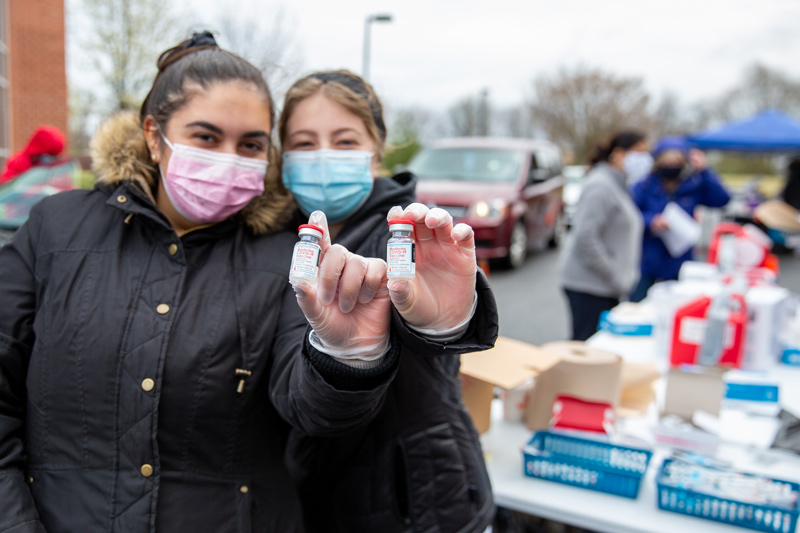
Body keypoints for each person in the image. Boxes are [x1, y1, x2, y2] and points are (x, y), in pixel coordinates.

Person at [0, 33, 434, 532]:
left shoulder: (285, 255)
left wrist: (344, 359)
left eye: (250, 144)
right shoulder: (56, 229)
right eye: (206, 137)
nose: (229, 157)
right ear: (152, 134)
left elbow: (310, 409)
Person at [278, 70, 499, 532]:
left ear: (375, 150)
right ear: (282, 156)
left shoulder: (405, 234)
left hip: (421, 503)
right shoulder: (275, 242)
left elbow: (439, 333)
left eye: (343, 142)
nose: (322, 157)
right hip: (311, 499)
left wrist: (447, 321)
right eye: (303, 143)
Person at [558, 131, 647, 341]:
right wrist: (615, 276)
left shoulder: (619, 184)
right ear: (618, 154)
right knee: (587, 348)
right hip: (591, 285)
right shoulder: (601, 185)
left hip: (604, 286)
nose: (645, 160)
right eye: (639, 153)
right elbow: (585, 238)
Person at [629, 137, 730, 302]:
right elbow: (629, 214)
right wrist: (651, 220)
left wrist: (705, 171)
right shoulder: (644, 186)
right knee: (639, 305)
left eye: (676, 161)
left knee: (678, 305)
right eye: (667, 161)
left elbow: (722, 199)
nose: (671, 166)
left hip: (680, 261)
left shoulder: (694, 184)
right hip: (648, 260)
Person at [0, 125, 67, 184]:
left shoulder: (55, 168)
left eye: (53, 157)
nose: (47, 160)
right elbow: (7, 188)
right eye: (46, 156)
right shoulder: (18, 163)